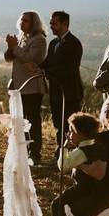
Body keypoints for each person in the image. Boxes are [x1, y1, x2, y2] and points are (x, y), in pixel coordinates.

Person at [49, 112, 106, 216]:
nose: (69, 134)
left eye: (72, 131)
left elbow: (63, 167)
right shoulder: (96, 147)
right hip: (95, 189)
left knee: (57, 204)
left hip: (83, 188)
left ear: (80, 134)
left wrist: (65, 148)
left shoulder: (81, 152)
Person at [5, 11, 48, 165]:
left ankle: (35, 153)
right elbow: (10, 57)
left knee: (32, 120)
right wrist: (11, 47)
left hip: (32, 86)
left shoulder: (39, 40)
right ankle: (24, 151)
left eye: (26, 21)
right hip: (20, 85)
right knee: (21, 119)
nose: (22, 23)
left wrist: (15, 47)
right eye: (21, 20)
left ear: (34, 23)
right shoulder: (23, 38)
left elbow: (32, 59)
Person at [40, 10, 84, 158]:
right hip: (56, 92)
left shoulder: (74, 43)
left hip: (70, 92)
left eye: (54, 23)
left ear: (65, 24)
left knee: (70, 126)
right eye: (51, 23)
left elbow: (69, 69)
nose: (51, 26)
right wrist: (37, 67)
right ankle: (60, 153)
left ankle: (71, 156)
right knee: (59, 124)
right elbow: (47, 63)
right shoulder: (53, 43)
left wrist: (47, 71)